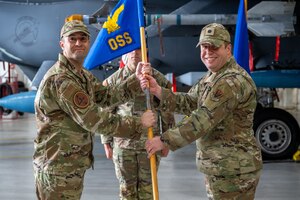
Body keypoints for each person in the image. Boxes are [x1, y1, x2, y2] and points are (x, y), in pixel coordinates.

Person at [33, 20, 156, 200]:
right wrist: (139, 123)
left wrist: (136, 80)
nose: (78, 43)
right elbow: (94, 119)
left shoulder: (81, 75)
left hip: (69, 165)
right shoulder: (62, 79)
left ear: (89, 43)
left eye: (82, 39)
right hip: (57, 167)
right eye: (72, 39)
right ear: (62, 44)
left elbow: (106, 96)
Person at [143, 23, 263, 200]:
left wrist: (164, 140)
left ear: (228, 49)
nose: (208, 52)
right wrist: (158, 91)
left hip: (234, 170)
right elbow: (191, 102)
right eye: (204, 47)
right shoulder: (211, 77)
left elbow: (202, 119)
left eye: (214, 46)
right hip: (221, 167)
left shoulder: (231, 82)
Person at [101, 49, 175, 200]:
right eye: (130, 50)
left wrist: (167, 141)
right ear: (123, 55)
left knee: (147, 191)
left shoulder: (156, 78)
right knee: (127, 191)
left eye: (139, 49)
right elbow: (106, 112)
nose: (135, 53)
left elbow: (167, 110)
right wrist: (106, 142)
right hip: (123, 145)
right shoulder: (114, 80)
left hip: (149, 145)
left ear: (145, 53)